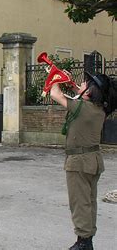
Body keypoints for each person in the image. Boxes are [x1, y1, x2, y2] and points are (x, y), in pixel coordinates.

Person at [50, 72, 117, 250]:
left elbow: (54, 94)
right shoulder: (97, 108)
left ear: (90, 91)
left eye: (85, 83)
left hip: (79, 162)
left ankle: (83, 242)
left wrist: (55, 76)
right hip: (92, 160)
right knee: (89, 202)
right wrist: (73, 85)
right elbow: (79, 98)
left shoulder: (83, 108)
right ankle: (88, 239)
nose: (80, 84)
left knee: (79, 203)